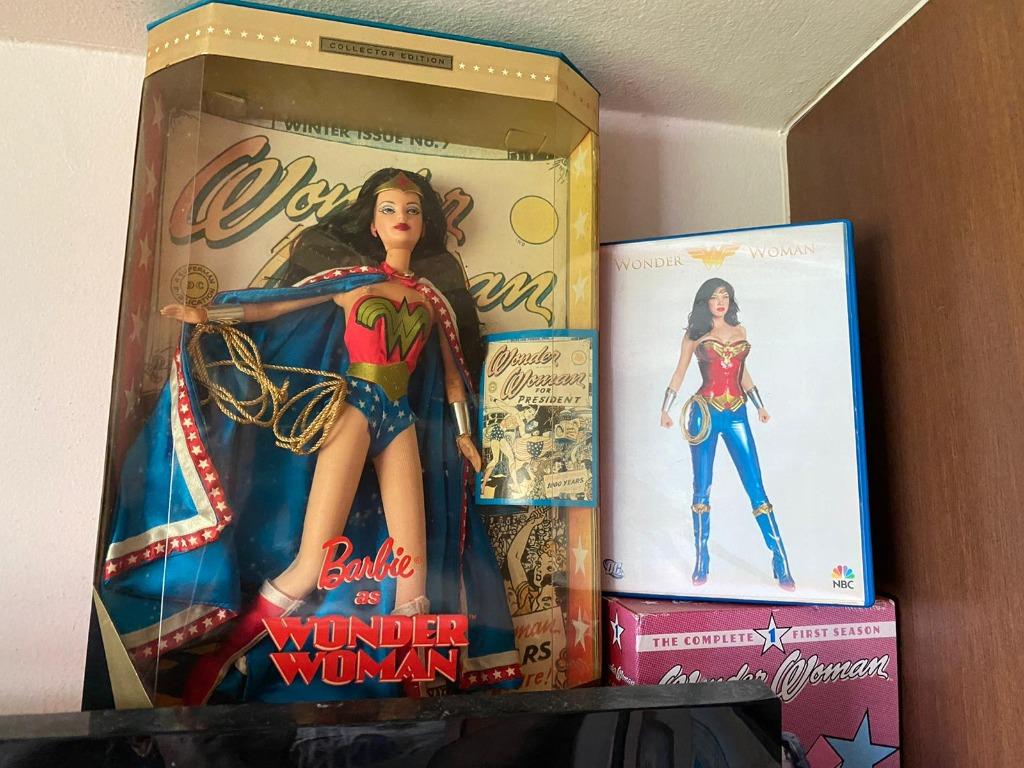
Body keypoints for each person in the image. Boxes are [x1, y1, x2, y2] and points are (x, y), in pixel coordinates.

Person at [100, 168, 521, 705]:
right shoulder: (352, 286)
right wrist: (208, 313)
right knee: (312, 564)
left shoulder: (431, 301)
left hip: (400, 423)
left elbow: (453, 377)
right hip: (354, 411)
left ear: (424, 224)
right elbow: (274, 306)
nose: (401, 219)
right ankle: (212, 671)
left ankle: (417, 695)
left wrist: (464, 436)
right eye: (389, 209)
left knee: (413, 578)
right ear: (372, 224)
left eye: (411, 210)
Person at [659, 277, 794, 590]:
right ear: (704, 301)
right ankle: (701, 559)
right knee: (702, 486)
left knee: (755, 485)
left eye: (725, 296)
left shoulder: (740, 331)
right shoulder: (695, 334)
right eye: (714, 297)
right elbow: (679, 372)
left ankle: (781, 558)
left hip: (737, 414)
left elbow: (742, 372)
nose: (720, 302)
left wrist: (759, 405)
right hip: (704, 414)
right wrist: (665, 409)